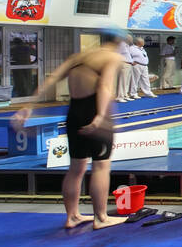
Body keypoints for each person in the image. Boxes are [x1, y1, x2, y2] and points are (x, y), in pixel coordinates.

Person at [11, 29, 128, 230]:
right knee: (101, 166)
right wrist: (100, 116)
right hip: (94, 112)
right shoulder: (112, 57)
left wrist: (28, 106)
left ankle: (72, 216)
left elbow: (51, 80)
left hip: (73, 113)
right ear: (119, 42)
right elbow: (105, 87)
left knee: (76, 168)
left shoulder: (78, 57)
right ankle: (101, 217)